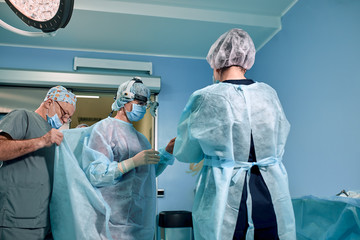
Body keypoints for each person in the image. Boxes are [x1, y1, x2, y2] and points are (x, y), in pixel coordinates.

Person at [173, 28, 296, 240]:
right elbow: (280, 139)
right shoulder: (268, 93)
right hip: (269, 196)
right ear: (246, 60)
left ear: (216, 63)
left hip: (227, 198)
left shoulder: (205, 97)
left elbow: (187, 154)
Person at [50, 78, 175, 240]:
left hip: (138, 224)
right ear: (124, 100)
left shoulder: (141, 139)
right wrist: (132, 162)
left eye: (145, 104)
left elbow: (147, 175)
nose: (143, 108)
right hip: (109, 224)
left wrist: (167, 153)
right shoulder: (105, 130)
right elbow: (96, 174)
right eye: (139, 103)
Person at [0, 86, 77, 240]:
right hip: (17, 221)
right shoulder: (23, 117)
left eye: (68, 118)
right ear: (49, 102)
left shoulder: (54, 135)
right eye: (64, 114)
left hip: (45, 222)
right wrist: (41, 141)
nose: (64, 120)